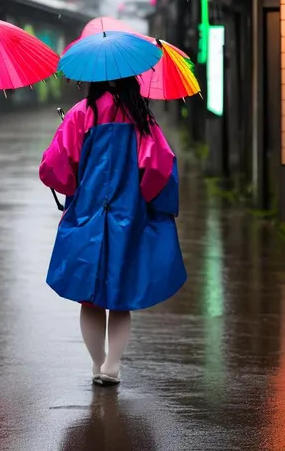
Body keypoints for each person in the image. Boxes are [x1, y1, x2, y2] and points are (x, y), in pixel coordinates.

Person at [39, 76, 187, 386]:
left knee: (89, 298)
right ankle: (112, 364)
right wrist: (143, 199)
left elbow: (55, 166)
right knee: (121, 296)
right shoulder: (141, 119)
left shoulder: (81, 114)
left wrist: (73, 187)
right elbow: (159, 166)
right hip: (128, 217)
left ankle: (96, 364)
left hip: (88, 215)